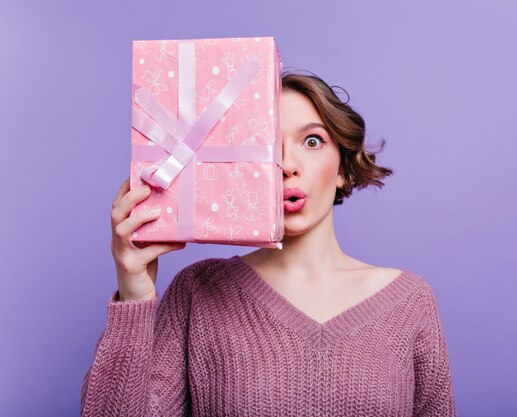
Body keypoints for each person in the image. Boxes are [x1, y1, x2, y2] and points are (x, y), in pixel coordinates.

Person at [80, 71, 457, 416]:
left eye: (312, 140)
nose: (287, 164)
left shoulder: (409, 302)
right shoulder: (198, 292)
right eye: (265, 145)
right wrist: (133, 292)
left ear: (342, 168)